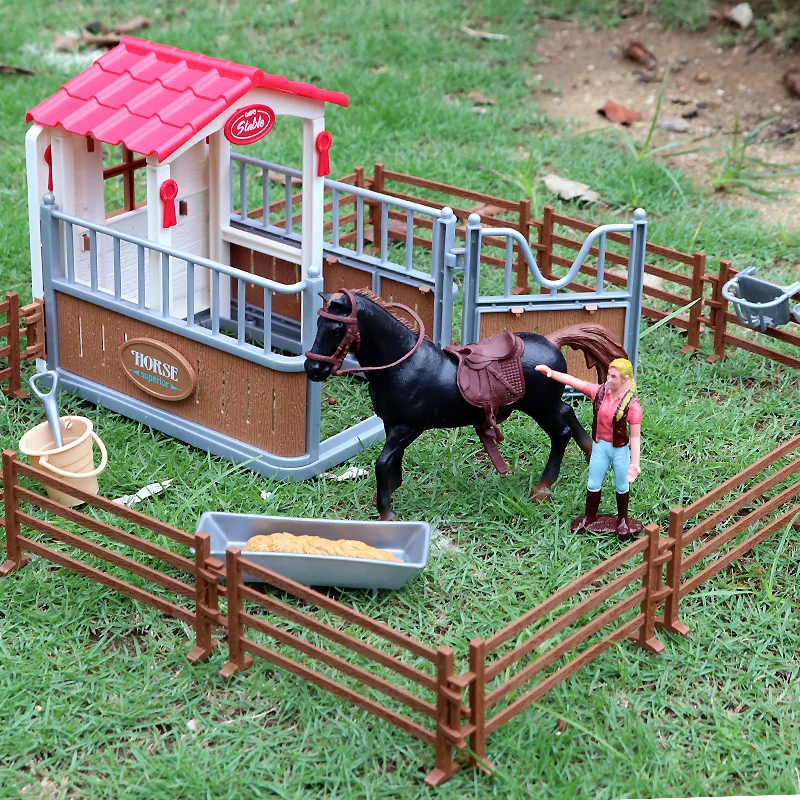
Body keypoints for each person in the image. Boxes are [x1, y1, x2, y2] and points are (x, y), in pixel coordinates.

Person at [535, 358, 642, 538]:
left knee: (622, 485)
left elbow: (635, 437)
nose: (608, 380)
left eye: (613, 377)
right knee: (593, 483)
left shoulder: (632, 406)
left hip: (619, 450)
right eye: (608, 375)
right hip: (600, 447)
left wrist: (635, 463)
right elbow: (576, 382)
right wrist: (551, 373)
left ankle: (623, 519)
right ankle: (590, 517)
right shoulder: (599, 392)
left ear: (624, 379)